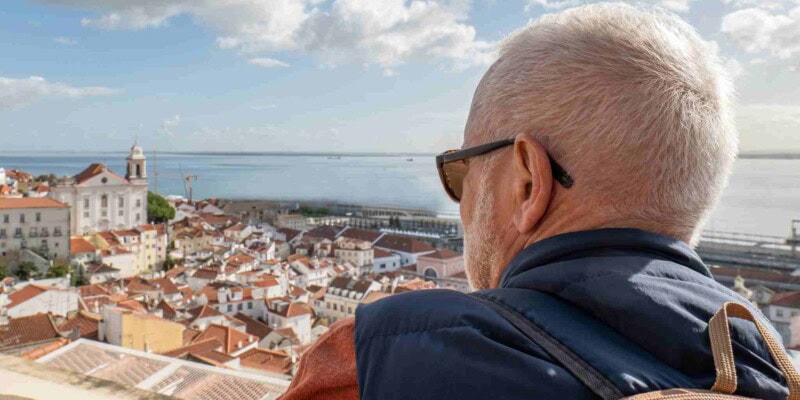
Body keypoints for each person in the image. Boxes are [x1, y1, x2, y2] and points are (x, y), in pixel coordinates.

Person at [280, 3, 791, 399]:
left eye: (461, 171)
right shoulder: (767, 361)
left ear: (526, 182)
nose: (459, 204)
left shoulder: (382, 359)